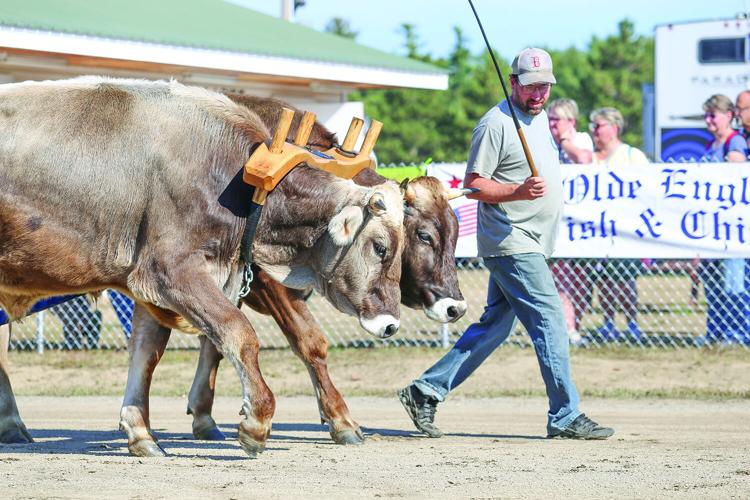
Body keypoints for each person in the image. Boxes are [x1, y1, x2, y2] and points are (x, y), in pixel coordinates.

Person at [398, 48, 614, 440]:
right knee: (551, 321)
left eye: (544, 86)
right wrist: (518, 191)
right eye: (530, 86)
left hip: (531, 240)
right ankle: (565, 414)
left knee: (494, 327)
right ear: (513, 82)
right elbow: (475, 184)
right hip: (511, 242)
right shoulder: (495, 124)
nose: (538, 94)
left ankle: (425, 391)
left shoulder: (539, 120)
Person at [589, 107, 649, 341]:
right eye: (593, 126)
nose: (594, 131)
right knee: (603, 280)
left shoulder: (632, 156)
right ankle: (608, 323)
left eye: (599, 126)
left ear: (614, 128)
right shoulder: (589, 158)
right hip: (596, 229)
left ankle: (632, 323)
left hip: (625, 229)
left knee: (625, 279)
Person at [697, 94, 749, 344]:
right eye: (706, 115)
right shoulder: (711, 146)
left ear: (728, 116)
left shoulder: (734, 142)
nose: (709, 120)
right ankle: (715, 330)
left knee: (733, 283)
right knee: (713, 285)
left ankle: (737, 332)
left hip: (731, 228)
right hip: (711, 229)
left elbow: (736, 174)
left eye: (713, 115)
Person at [547, 98, 594, 345]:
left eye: (557, 119)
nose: (552, 124)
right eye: (550, 119)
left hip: (582, 225)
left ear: (571, 122)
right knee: (561, 277)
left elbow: (585, 160)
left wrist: (565, 141)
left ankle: (576, 323)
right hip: (556, 223)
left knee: (580, 281)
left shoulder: (582, 139)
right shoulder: (544, 143)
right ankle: (569, 329)